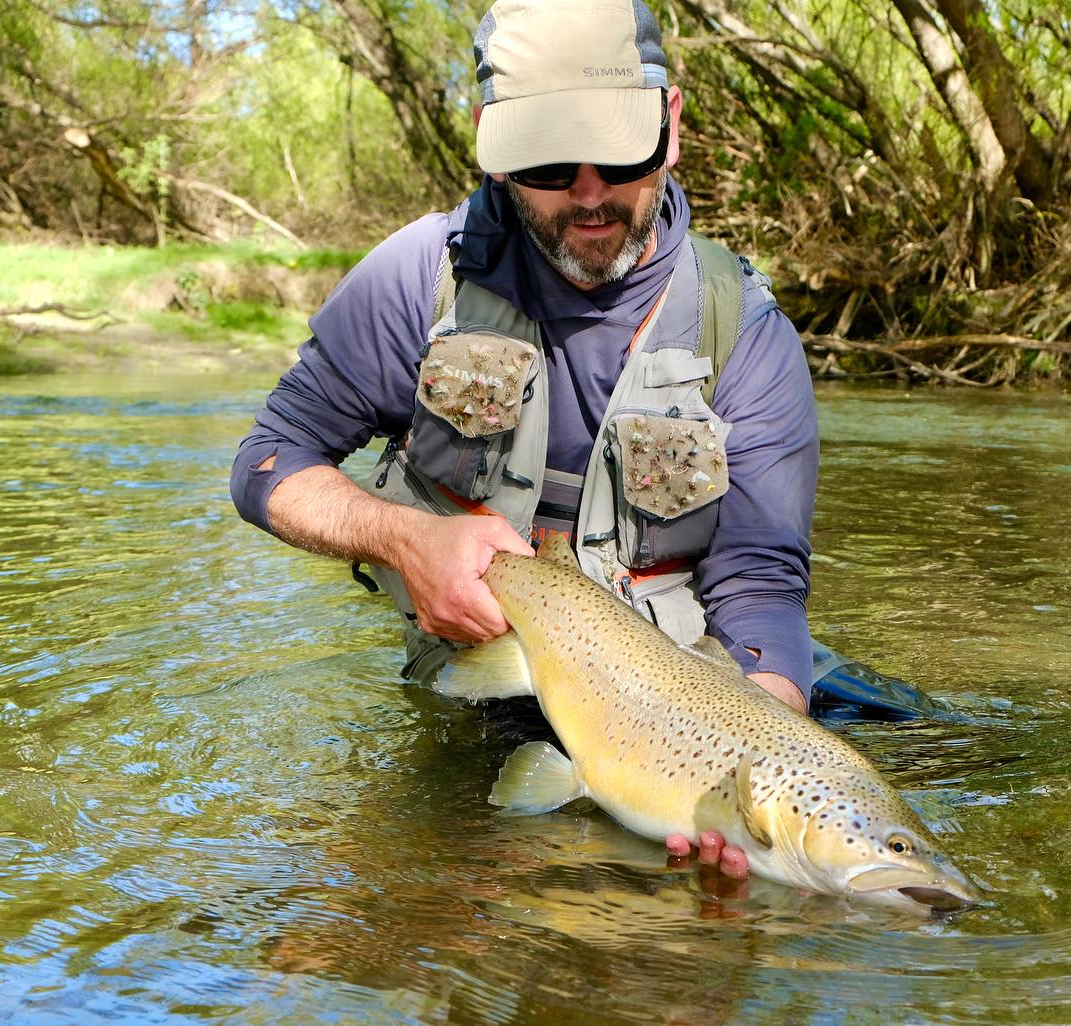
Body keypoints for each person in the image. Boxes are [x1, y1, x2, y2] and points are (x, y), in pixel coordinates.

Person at [230, 0, 819, 880]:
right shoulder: (420, 282)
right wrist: (405, 539)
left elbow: (760, 586)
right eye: (547, 160)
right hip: (475, 698)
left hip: (670, 714)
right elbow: (268, 462)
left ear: (671, 126)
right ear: (491, 143)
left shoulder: (745, 334)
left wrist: (756, 770)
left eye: (618, 151)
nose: (589, 192)